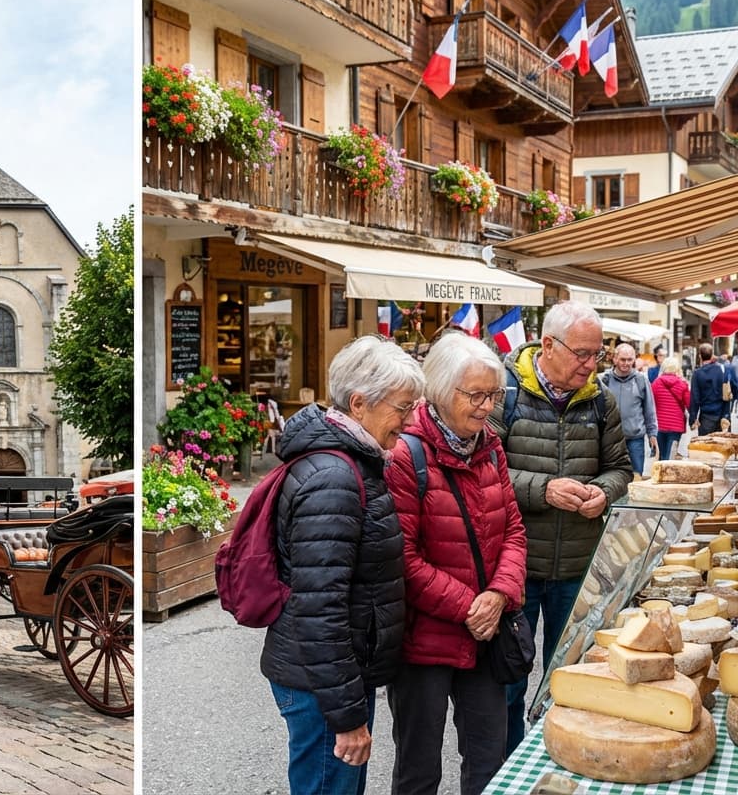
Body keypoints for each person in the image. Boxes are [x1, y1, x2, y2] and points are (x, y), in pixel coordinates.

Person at [262, 335, 423, 795]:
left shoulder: (351, 462)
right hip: (323, 684)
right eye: (401, 407)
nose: (409, 420)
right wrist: (347, 716)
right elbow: (322, 609)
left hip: (329, 678)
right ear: (359, 404)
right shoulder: (334, 477)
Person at [385, 332, 527, 795]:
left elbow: (513, 532)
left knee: (490, 760)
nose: (487, 406)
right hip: (424, 641)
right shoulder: (406, 455)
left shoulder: (491, 447)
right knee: (419, 769)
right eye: (477, 395)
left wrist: (501, 593)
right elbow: (403, 559)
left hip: (485, 638)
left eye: (495, 394)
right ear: (442, 392)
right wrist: (473, 605)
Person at [488, 300, 632, 753]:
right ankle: (509, 767)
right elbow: (481, 473)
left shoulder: (601, 400)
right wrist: (543, 490)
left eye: (598, 355)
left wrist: (605, 493)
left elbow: (621, 468)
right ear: (547, 345)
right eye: (583, 354)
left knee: (572, 680)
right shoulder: (503, 394)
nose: (592, 365)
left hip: (577, 567)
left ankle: (559, 762)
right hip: (517, 569)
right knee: (508, 683)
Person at [600, 343, 658, 477]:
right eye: (622, 359)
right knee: (612, 477)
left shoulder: (641, 380)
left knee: (636, 477)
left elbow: (649, 409)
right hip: (611, 440)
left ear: (634, 360)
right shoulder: (605, 380)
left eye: (630, 360)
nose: (626, 363)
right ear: (615, 359)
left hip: (635, 440)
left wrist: (652, 434)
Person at [652, 356, 691, 462]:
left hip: (659, 425)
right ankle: (668, 476)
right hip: (676, 426)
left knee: (661, 456)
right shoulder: (682, 384)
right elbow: (689, 404)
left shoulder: (656, 383)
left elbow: (651, 404)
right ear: (677, 368)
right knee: (671, 457)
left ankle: (660, 476)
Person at [689, 343, 729, 436]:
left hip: (706, 416)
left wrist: (693, 419)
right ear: (712, 355)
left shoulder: (697, 374)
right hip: (722, 415)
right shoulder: (722, 369)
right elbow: (727, 391)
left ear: (700, 356)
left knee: (705, 447)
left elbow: (695, 398)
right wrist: (726, 415)